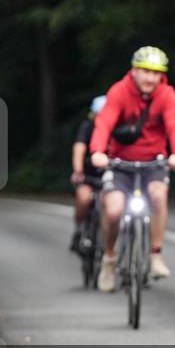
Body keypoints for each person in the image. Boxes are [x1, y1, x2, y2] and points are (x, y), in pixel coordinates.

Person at [89, 46, 175, 292]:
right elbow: (104, 122)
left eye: (156, 73)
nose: (150, 78)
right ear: (134, 71)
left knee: (158, 194)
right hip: (119, 162)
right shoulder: (119, 91)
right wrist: (98, 151)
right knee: (113, 210)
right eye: (145, 71)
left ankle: (155, 255)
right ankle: (109, 259)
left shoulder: (167, 95)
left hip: (154, 162)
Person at [70, 95, 107, 252]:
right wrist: (78, 171)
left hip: (112, 176)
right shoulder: (87, 127)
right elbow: (79, 148)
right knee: (84, 198)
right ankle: (79, 230)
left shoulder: (118, 128)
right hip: (89, 174)